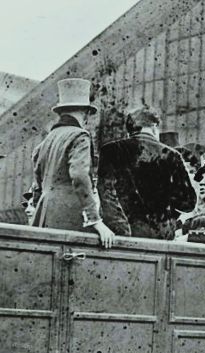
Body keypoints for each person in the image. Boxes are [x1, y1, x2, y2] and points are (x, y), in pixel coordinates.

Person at [30, 78, 115, 248]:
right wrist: (95, 220)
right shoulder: (79, 136)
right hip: (68, 217)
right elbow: (79, 175)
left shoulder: (46, 141)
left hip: (43, 216)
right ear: (85, 113)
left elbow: (37, 186)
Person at [97, 106, 196, 240]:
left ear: (129, 131)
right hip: (160, 237)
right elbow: (188, 203)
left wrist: (121, 228)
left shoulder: (110, 150)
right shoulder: (172, 156)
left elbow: (106, 193)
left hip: (119, 236)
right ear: (154, 127)